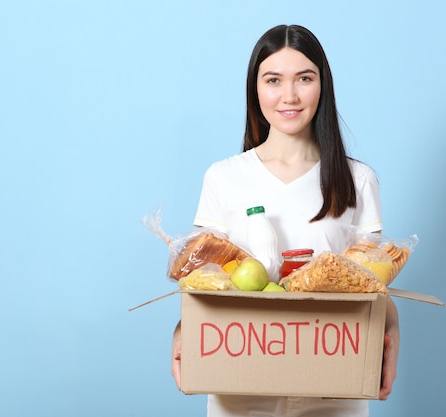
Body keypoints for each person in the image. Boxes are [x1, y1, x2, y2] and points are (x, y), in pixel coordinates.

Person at [171, 24, 400, 417]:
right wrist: (183, 332)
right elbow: (204, 276)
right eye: (273, 79)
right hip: (240, 384)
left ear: (322, 86)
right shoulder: (224, 176)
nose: (289, 95)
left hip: (333, 386)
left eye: (304, 79)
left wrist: (391, 332)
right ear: (255, 89)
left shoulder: (357, 179)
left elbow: (372, 282)